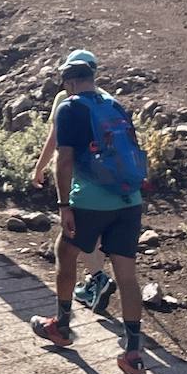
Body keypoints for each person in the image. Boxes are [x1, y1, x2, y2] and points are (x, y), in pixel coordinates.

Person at [30, 49, 149, 374]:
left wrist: (64, 204)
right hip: (129, 200)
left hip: (92, 201)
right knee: (126, 275)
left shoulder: (70, 107)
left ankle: (62, 326)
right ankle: (134, 352)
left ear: (69, 82)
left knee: (65, 253)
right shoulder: (113, 105)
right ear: (92, 79)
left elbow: (64, 160)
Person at [32, 49, 115, 314]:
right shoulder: (106, 99)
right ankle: (95, 280)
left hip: (81, 177)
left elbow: (55, 138)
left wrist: (40, 167)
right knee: (98, 234)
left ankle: (96, 281)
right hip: (112, 179)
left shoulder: (66, 98)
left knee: (75, 234)